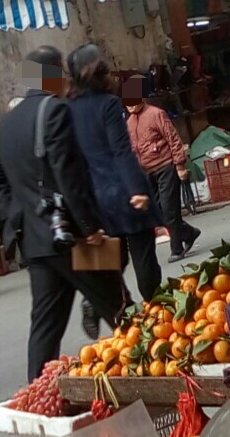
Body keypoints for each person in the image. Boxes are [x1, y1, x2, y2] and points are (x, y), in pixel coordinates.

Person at [0, 47, 126, 382]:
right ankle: (159, 379)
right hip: (73, 238)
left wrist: (19, 213)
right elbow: (68, 175)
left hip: (36, 243)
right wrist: (89, 227)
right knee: (121, 308)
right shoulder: (56, 109)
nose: (64, 78)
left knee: (46, 327)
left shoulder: (9, 121)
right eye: (61, 71)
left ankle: (36, 393)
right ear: (50, 73)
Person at [67, 45, 163, 304]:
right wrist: (136, 189)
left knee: (109, 261)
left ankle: (104, 304)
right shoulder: (108, 104)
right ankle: (155, 307)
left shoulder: (66, 109)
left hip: (93, 197)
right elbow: (121, 150)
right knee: (143, 255)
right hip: (122, 192)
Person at [123, 76, 201, 263]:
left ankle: (177, 249)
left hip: (165, 165)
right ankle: (189, 233)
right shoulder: (129, 122)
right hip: (146, 171)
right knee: (155, 212)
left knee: (169, 209)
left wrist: (180, 165)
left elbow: (173, 138)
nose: (131, 105)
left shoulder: (156, 114)